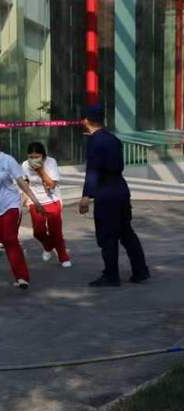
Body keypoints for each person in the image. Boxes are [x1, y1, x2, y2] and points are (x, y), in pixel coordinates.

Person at [79, 105, 149, 287]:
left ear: (86, 121)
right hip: (120, 188)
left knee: (107, 235)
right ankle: (140, 271)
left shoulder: (94, 142)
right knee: (126, 232)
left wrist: (86, 195)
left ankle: (111, 275)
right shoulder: (113, 139)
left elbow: (93, 170)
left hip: (106, 191)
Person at [0, 129, 45, 290]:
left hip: (10, 204)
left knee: (10, 238)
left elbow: (21, 181)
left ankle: (21, 276)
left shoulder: (7, 160)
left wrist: (35, 201)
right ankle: (18, 269)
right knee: (6, 241)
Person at [22, 142, 72, 268]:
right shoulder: (24, 165)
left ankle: (63, 256)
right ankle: (49, 245)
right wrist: (25, 200)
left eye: (37, 157)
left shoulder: (51, 162)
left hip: (51, 200)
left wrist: (40, 170)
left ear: (43, 157)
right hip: (35, 201)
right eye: (31, 157)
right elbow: (25, 183)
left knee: (56, 232)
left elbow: (51, 185)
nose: (33, 160)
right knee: (38, 232)